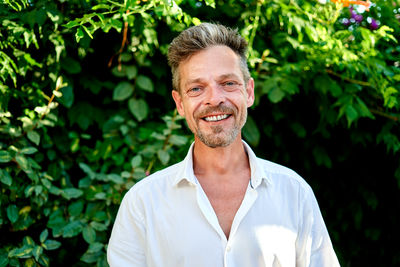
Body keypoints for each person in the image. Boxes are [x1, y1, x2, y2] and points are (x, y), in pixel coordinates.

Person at [107, 22, 340, 267]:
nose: (215, 99)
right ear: (179, 103)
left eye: (228, 83)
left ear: (249, 92)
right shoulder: (142, 204)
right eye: (196, 88)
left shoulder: (295, 193)